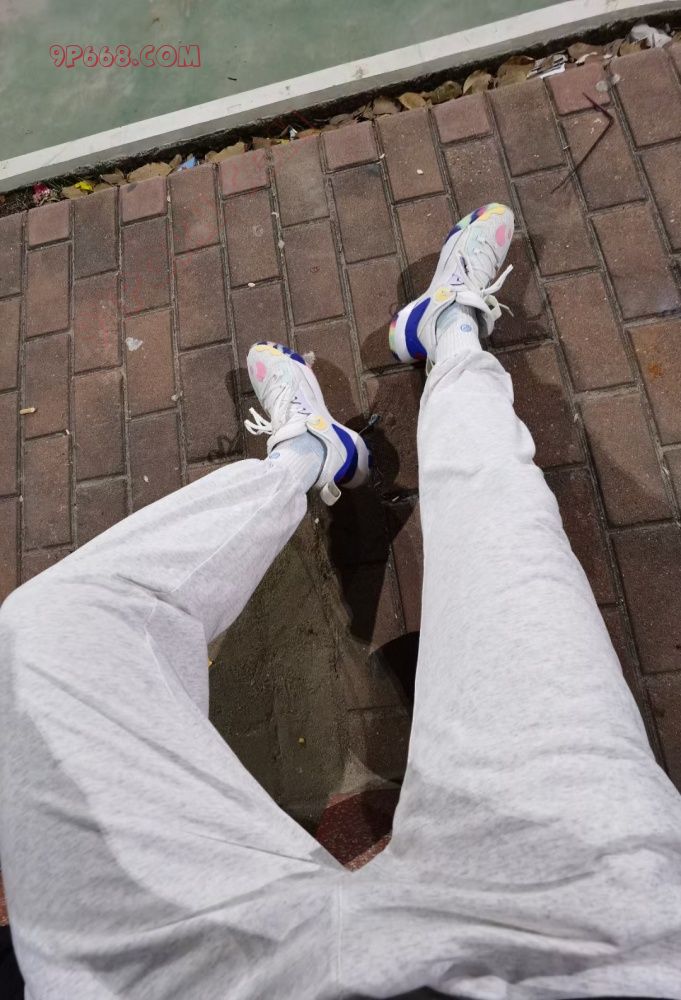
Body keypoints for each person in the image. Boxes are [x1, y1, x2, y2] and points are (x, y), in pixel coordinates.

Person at [1, 203, 680, 1000]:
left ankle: (305, 458)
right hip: (593, 944)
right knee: (499, 510)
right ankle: (448, 335)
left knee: (46, 631)